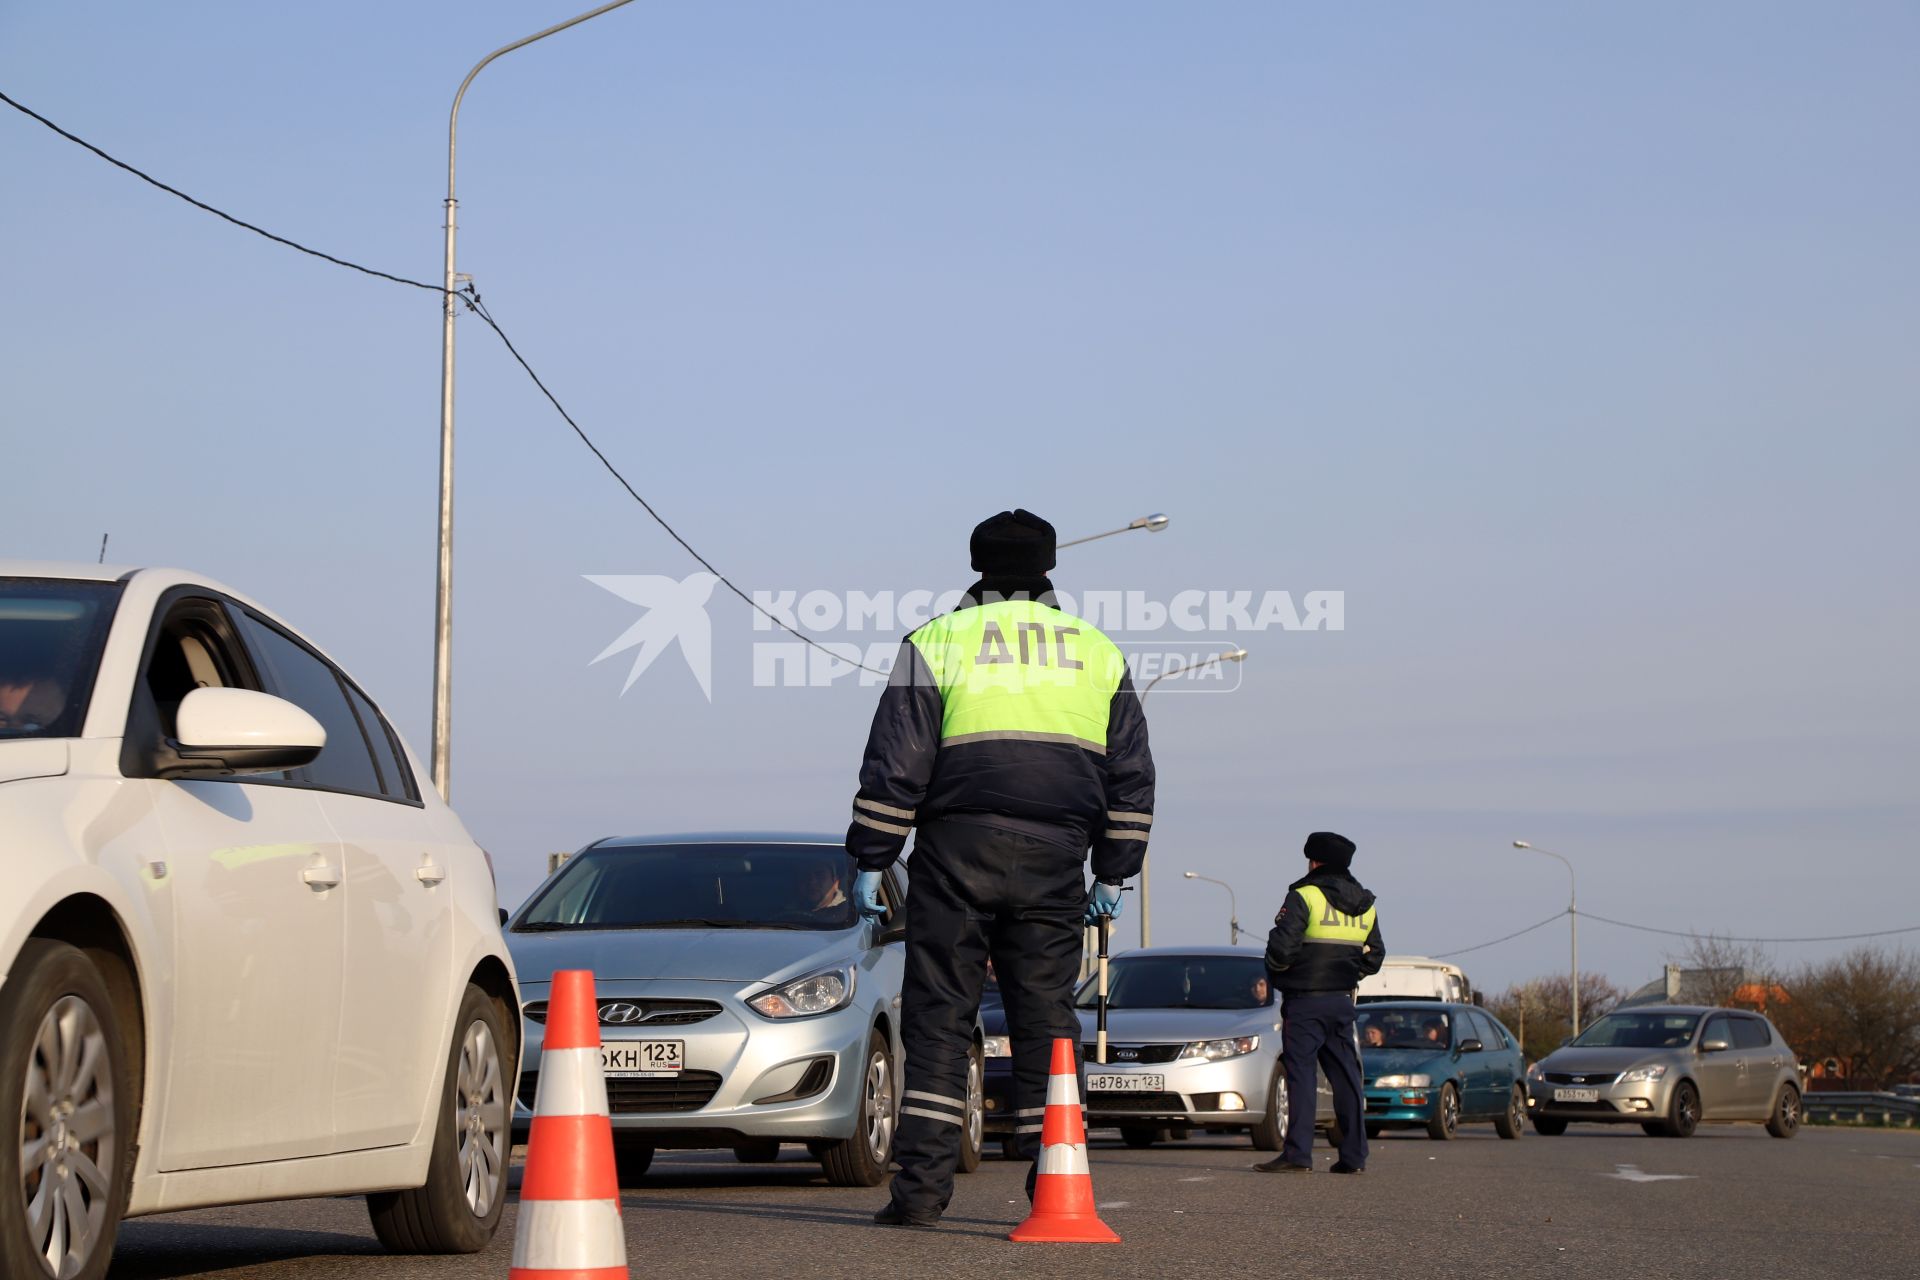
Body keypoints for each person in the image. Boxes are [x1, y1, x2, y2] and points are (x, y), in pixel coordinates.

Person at [844, 509, 1155, 1228]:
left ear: (976, 564)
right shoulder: (1097, 651)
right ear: (1049, 568)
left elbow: (897, 765)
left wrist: (871, 856)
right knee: (1049, 1024)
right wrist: (1113, 872)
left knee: (940, 1021)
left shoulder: (936, 641)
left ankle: (920, 1194)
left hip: (955, 853)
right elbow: (1131, 778)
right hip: (1056, 860)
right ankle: (1057, 1185)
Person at [1257, 831, 1384, 1175]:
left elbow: (1281, 950)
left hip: (1304, 1003)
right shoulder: (1365, 905)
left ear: (1314, 861)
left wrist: (1281, 974)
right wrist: (1346, 973)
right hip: (1341, 1002)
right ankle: (1354, 1156)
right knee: (1346, 1079)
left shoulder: (1304, 895)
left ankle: (1297, 1154)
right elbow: (1375, 958)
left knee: (1301, 1077)